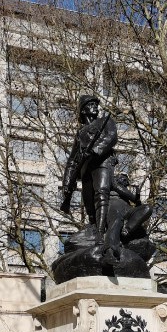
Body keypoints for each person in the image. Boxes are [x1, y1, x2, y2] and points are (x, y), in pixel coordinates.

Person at [60, 95, 118, 249]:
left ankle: (100, 233)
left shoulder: (105, 121)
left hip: (102, 162)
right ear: (83, 109)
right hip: (86, 169)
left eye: (96, 104)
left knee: (101, 193)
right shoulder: (80, 134)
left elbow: (111, 137)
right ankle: (93, 228)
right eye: (91, 104)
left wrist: (94, 150)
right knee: (89, 204)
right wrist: (67, 183)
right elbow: (72, 160)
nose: (95, 107)